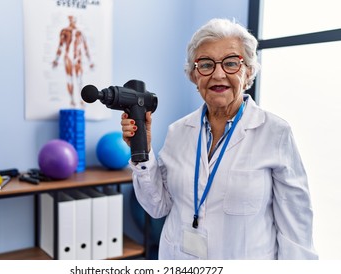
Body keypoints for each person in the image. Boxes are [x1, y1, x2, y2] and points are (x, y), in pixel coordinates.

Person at [121, 18, 318, 260]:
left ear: (248, 73)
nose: (218, 73)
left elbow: (296, 230)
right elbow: (157, 206)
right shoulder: (178, 131)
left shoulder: (275, 133)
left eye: (231, 63)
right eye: (205, 64)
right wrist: (142, 151)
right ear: (195, 76)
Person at [52, 15, 94, 107]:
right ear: (69, 20)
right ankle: (71, 100)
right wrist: (56, 59)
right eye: (71, 20)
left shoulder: (80, 32)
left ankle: (81, 100)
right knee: (70, 79)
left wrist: (90, 61)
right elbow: (60, 45)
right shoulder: (65, 31)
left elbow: (85, 47)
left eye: (74, 20)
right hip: (68, 58)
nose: (72, 21)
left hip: (77, 58)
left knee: (79, 80)